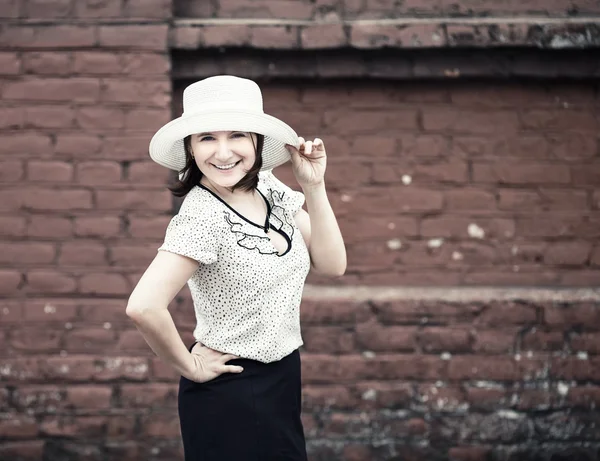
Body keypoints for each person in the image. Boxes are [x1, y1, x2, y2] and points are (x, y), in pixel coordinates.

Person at [126, 75, 346, 460]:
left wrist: (314, 187)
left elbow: (332, 264)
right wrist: (190, 366)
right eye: (207, 138)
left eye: (237, 135)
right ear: (190, 149)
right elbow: (143, 307)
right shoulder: (202, 216)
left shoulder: (267, 186)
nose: (223, 152)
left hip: (283, 375)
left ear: (257, 141)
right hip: (232, 387)